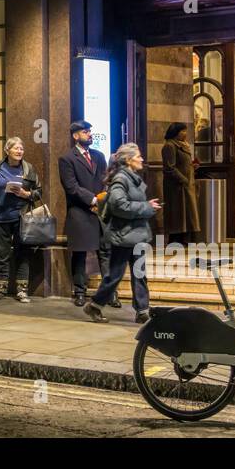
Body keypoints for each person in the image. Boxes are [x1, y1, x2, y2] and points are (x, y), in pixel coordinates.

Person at [84, 143, 159, 325]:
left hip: (136, 235)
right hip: (123, 236)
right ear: (128, 160)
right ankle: (95, 305)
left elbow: (128, 203)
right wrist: (146, 207)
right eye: (138, 156)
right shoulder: (121, 179)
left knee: (139, 273)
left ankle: (142, 311)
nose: (142, 159)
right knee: (115, 275)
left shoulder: (131, 178)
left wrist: (147, 205)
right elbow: (119, 205)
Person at [0, 137, 41, 303]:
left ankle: (22, 290)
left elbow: (38, 191)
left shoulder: (29, 169)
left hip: (21, 218)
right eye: (16, 148)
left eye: (21, 148)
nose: (19, 151)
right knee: (1, 254)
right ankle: (0, 289)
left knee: (23, 253)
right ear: (7, 150)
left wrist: (27, 194)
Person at [57, 120, 110, 307]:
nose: (90, 134)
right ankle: (80, 291)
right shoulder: (67, 159)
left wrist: (103, 198)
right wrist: (93, 199)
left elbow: (105, 179)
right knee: (79, 253)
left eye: (90, 131)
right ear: (75, 136)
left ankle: (109, 292)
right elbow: (71, 187)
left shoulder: (99, 155)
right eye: (86, 131)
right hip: (79, 211)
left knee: (105, 253)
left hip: (100, 211)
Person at [160, 122, 200, 244]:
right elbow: (169, 167)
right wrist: (183, 179)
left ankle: (185, 239)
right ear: (175, 132)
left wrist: (192, 166)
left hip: (185, 185)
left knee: (187, 214)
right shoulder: (169, 146)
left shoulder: (183, 145)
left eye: (185, 131)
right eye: (182, 131)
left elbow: (183, 163)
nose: (185, 133)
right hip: (176, 187)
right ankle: (176, 241)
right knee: (178, 214)